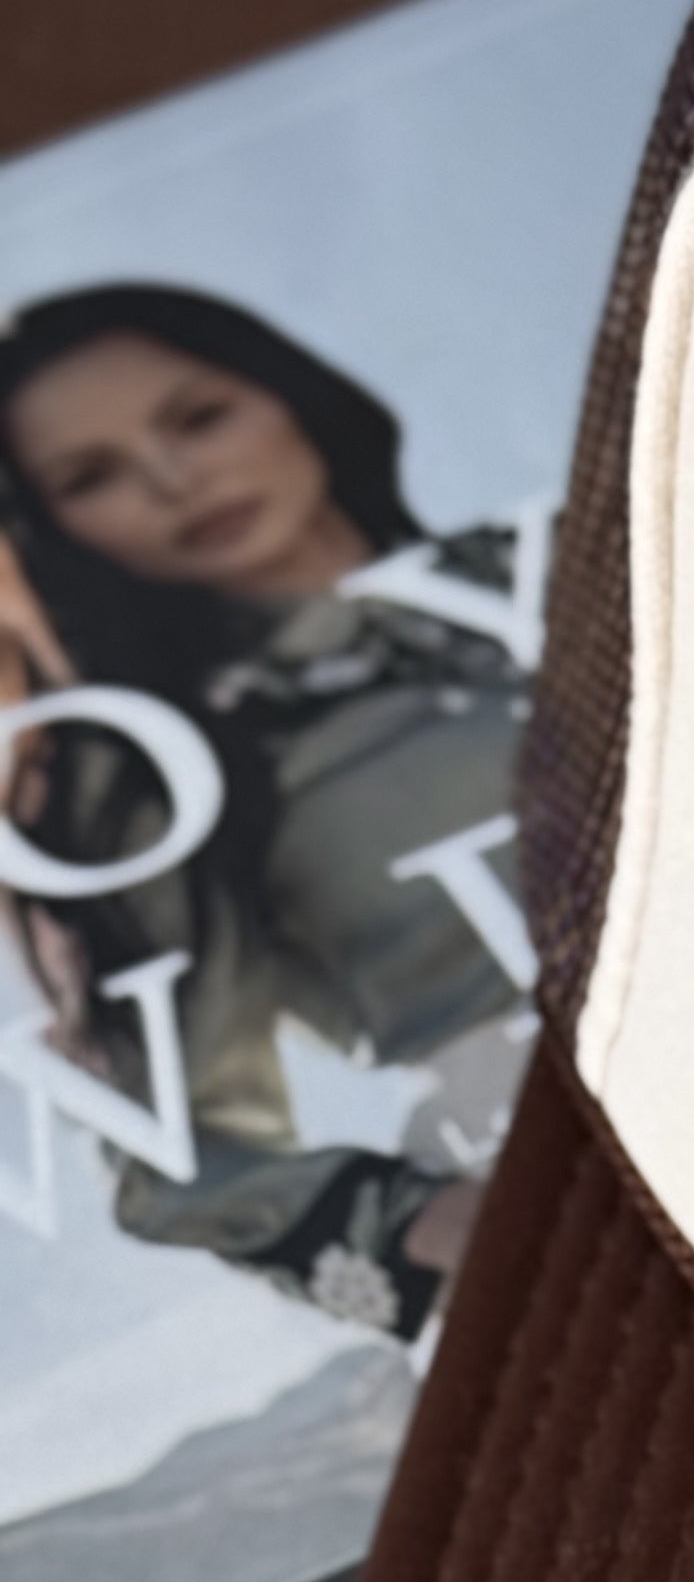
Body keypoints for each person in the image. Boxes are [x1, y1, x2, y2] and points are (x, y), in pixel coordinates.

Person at [0, 281, 540, 1334]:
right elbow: (181, 1154)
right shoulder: (169, 776)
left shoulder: (573, 556)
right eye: (91, 476)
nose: (171, 479)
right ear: (58, 530)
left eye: (197, 418)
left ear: (285, 395)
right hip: (598, 1185)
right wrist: (451, 1235)